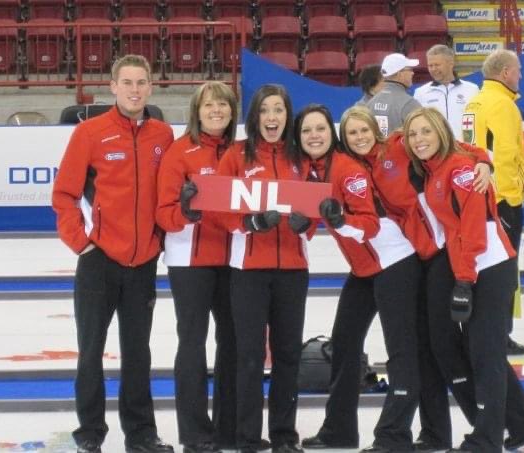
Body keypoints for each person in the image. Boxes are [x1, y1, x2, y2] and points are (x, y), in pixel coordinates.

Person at [405, 106, 524, 452]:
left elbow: (472, 227)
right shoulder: (435, 167)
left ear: (441, 131)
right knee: (479, 351)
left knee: (485, 352)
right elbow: (469, 150)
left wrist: (464, 281)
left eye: (426, 132)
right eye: (413, 135)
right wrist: (484, 156)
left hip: (489, 265)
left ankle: (486, 438)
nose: (418, 139)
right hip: (468, 263)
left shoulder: (458, 171)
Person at [52, 54, 174, 453]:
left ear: (151, 87)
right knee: (90, 351)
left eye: (142, 82)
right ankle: (90, 434)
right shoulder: (90, 133)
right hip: (99, 261)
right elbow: (64, 194)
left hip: (143, 263)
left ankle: (140, 434)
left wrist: (159, 240)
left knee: (138, 353)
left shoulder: (163, 135)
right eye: (128, 82)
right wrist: (81, 244)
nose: (135, 90)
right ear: (113, 86)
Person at [296, 104, 421, 453]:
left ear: (330, 134)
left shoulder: (347, 169)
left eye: (320, 128)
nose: (314, 136)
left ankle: (394, 437)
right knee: (344, 344)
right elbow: (306, 221)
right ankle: (339, 431)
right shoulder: (310, 170)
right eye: (307, 131)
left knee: (400, 351)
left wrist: (339, 222)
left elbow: (369, 224)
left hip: (394, 262)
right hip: (364, 267)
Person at [216, 84, 313, 453]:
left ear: (288, 115)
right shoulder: (237, 155)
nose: (272, 118)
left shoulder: (300, 157)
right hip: (248, 270)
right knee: (249, 356)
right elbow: (221, 210)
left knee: (288, 354)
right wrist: (250, 224)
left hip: (293, 268)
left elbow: (316, 206)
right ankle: (247, 438)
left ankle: (284, 436)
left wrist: (310, 225)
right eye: (265, 110)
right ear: (254, 116)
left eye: (279, 110)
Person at [155, 81, 239, 453]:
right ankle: (194, 432)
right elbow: (164, 213)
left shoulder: (239, 151)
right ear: (197, 111)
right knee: (192, 342)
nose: (216, 110)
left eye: (223, 104)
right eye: (209, 105)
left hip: (234, 257)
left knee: (233, 342)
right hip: (189, 259)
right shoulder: (178, 152)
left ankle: (229, 427)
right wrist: (186, 212)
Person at [461, 49, 524, 356]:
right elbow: (505, 155)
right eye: (517, 70)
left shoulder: (474, 101)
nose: (520, 75)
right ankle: (500, 335)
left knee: (482, 269)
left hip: (477, 194)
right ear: (504, 73)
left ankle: (480, 332)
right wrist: (512, 198)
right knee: (503, 273)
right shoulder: (503, 105)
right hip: (501, 199)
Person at [413, 44, 479, 140]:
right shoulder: (420, 93)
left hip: (464, 150)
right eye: (430, 65)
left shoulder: (472, 89)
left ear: (451, 63)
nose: (433, 69)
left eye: (437, 65)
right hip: (436, 151)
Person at [366, 52, 421, 136]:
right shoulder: (409, 103)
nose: (412, 73)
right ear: (400, 74)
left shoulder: (371, 103)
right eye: (409, 69)